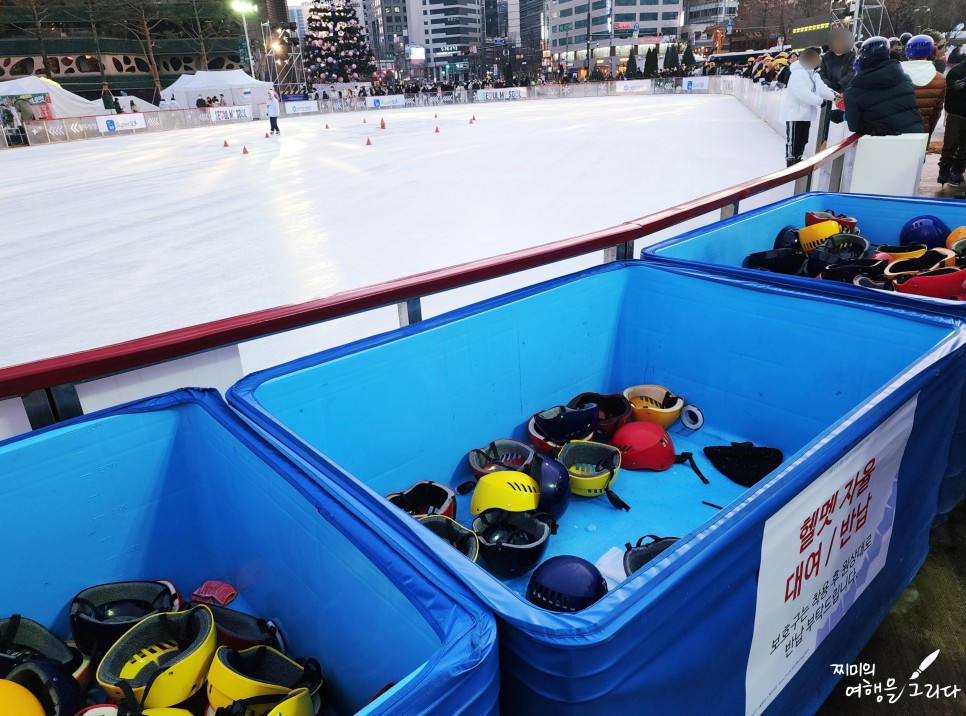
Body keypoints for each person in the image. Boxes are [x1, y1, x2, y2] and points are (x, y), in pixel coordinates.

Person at [845, 36, 924, 136]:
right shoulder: (904, 79)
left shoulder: (853, 92)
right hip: (914, 140)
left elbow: (854, 126)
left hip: (883, 145)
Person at [781, 47, 837, 166]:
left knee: (802, 141)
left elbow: (822, 88)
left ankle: (797, 162)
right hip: (795, 114)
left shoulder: (813, 74)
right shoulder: (798, 73)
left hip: (806, 115)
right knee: (793, 142)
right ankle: (790, 165)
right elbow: (801, 92)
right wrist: (819, 101)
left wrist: (834, 96)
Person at [901, 34, 946, 137]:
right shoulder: (939, 79)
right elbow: (936, 113)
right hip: (921, 130)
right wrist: (928, 134)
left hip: (894, 130)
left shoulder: (895, 73)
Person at [938, 58, 966, 185]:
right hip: (956, 113)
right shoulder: (957, 71)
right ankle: (944, 169)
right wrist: (953, 88)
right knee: (950, 144)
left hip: (957, 112)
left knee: (964, 148)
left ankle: (957, 170)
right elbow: (946, 91)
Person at [820, 26, 857, 94]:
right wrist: (828, 84)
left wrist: (839, 84)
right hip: (828, 90)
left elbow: (851, 73)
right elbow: (821, 73)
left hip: (845, 91)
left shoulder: (851, 56)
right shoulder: (826, 56)